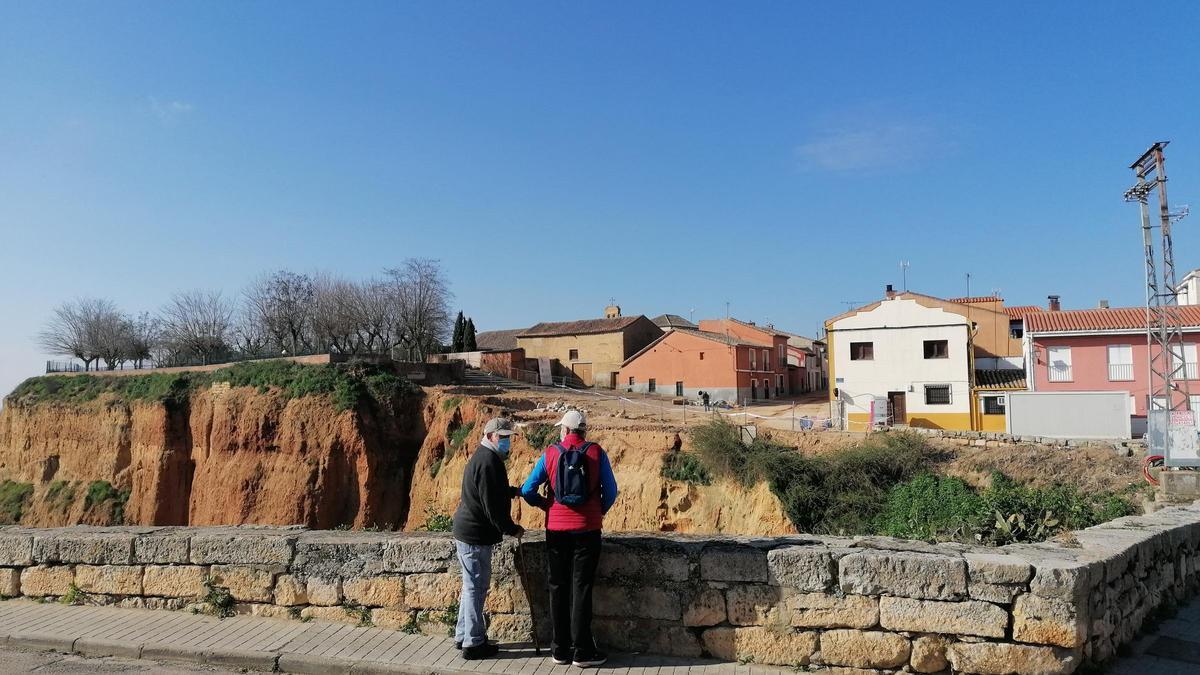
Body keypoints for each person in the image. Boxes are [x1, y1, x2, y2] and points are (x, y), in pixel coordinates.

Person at [521, 410, 618, 668]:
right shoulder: (596, 453)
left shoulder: (551, 453)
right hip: (587, 531)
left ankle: (560, 649)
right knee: (581, 588)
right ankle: (583, 651)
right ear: (584, 431)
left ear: (564, 430)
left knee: (557, 587)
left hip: (556, 530)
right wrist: (597, 512)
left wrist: (545, 505)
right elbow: (611, 491)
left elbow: (526, 489)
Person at [452, 417, 524, 660]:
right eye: (503, 437)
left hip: (470, 532)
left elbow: (492, 490)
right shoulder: (488, 461)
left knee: (471, 586)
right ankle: (473, 644)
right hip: (475, 534)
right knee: (476, 587)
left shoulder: (485, 457)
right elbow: (491, 505)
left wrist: (514, 491)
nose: (506, 442)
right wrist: (511, 529)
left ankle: (463, 635)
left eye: (508, 438)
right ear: (491, 435)